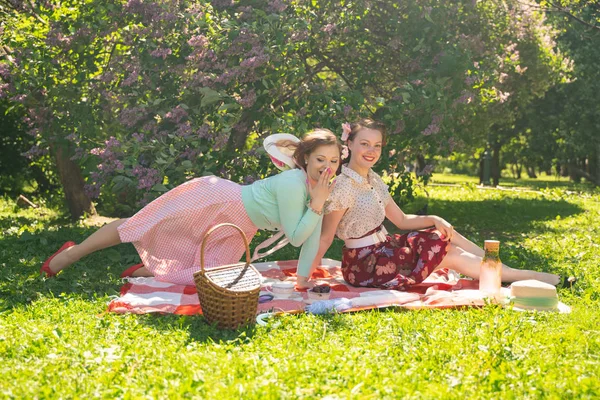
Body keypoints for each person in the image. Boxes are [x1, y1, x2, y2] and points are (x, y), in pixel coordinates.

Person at [41, 129, 341, 288]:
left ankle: (147, 271)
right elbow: (297, 236)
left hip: (240, 227)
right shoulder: (293, 183)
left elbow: (311, 235)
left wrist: (303, 281)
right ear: (304, 159)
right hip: (220, 200)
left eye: (334, 161)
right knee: (142, 223)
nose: (327, 167)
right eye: (320, 160)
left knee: (208, 277)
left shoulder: (319, 190)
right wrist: (317, 205)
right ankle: (73, 252)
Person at [307, 119, 560, 289]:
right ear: (349, 144)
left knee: (442, 235)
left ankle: (501, 267)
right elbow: (326, 236)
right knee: (449, 254)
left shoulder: (373, 179)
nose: (371, 151)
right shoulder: (342, 185)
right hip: (364, 265)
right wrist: (306, 274)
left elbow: (402, 220)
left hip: (385, 248)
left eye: (377, 145)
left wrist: (436, 218)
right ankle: (525, 277)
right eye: (364, 144)